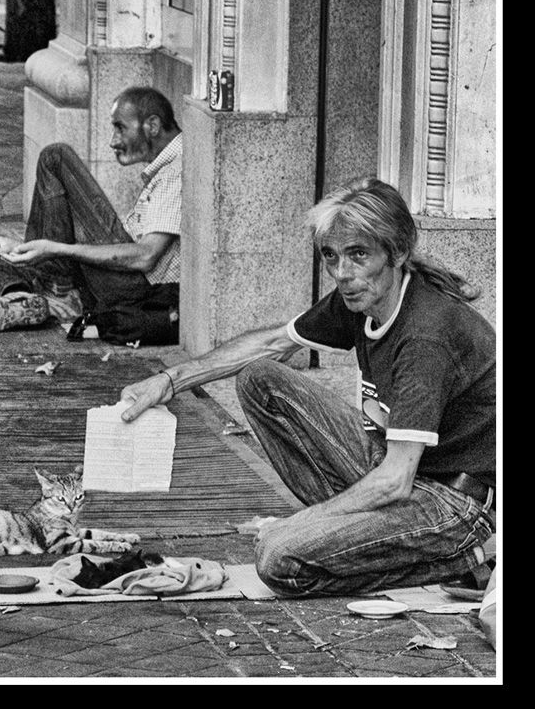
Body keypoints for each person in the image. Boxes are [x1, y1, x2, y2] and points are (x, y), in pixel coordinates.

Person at [119, 177, 496, 597]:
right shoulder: (365, 297)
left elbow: (393, 481)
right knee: (261, 379)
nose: (342, 273)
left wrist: (305, 521)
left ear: (398, 252)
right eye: (331, 256)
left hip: (455, 502)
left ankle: (472, 555)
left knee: (278, 558)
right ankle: (357, 538)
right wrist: (168, 380)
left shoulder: (426, 334)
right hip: (399, 467)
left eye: (358, 255)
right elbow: (272, 343)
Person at [0, 86, 182, 344]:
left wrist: (56, 249)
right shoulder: (169, 167)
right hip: (116, 280)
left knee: (56, 157)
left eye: (120, 128)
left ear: (152, 125)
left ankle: (53, 293)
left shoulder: (178, 170)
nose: (113, 141)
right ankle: (23, 297)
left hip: (140, 291)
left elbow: (146, 257)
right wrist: (30, 249)